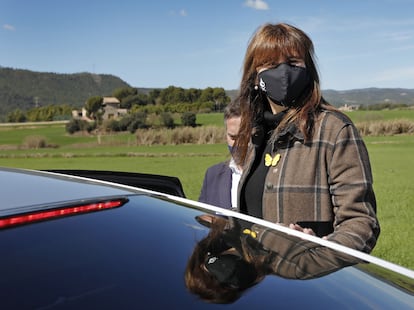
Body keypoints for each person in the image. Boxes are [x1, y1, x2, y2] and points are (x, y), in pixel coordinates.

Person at [232, 22, 380, 253]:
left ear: (308, 70)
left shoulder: (334, 130)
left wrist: (318, 250)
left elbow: (361, 224)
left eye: (293, 63)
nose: (283, 73)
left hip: (306, 284)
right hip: (259, 282)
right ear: (254, 77)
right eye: (271, 64)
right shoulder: (256, 134)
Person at [198, 100, 242, 210]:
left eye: (243, 137)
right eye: (233, 138)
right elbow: (203, 221)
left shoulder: (269, 175)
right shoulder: (212, 175)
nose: (238, 144)